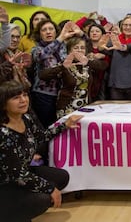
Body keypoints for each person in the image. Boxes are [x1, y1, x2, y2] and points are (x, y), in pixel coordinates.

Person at [0, 80, 82, 222]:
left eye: (25, 95)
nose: (23, 100)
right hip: (6, 183)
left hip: (22, 174)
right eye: (16, 98)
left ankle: (22, 200)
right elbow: (17, 174)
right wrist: (49, 188)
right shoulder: (3, 133)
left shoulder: (26, 118)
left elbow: (41, 136)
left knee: (62, 177)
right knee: (43, 199)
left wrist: (65, 125)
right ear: (3, 104)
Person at [31, 20, 83, 128]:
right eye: (44, 30)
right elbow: (41, 56)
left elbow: (83, 46)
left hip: (61, 94)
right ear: (39, 34)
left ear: (56, 31)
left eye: (51, 29)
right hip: (43, 95)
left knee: (60, 124)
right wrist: (60, 39)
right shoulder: (37, 49)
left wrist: (81, 33)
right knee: (47, 126)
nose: (48, 32)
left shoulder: (63, 46)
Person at [39, 37, 108, 118]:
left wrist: (88, 62)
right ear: (69, 51)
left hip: (85, 106)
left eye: (82, 48)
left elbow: (104, 66)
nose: (79, 50)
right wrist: (62, 67)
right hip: (67, 107)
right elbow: (42, 75)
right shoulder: (65, 64)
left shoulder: (88, 63)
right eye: (76, 48)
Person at [104, 15, 131, 100]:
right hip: (115, 83)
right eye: (125, 25)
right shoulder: (114, 40)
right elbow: (104, 51)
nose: (128, 27)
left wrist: (122, 47)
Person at [0, 24, 32, 88]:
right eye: (11, 36)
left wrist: (30, 66)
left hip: (21, 92)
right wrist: (9, 63)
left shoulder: (23, 55)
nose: (15, 40)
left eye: (18, 37)